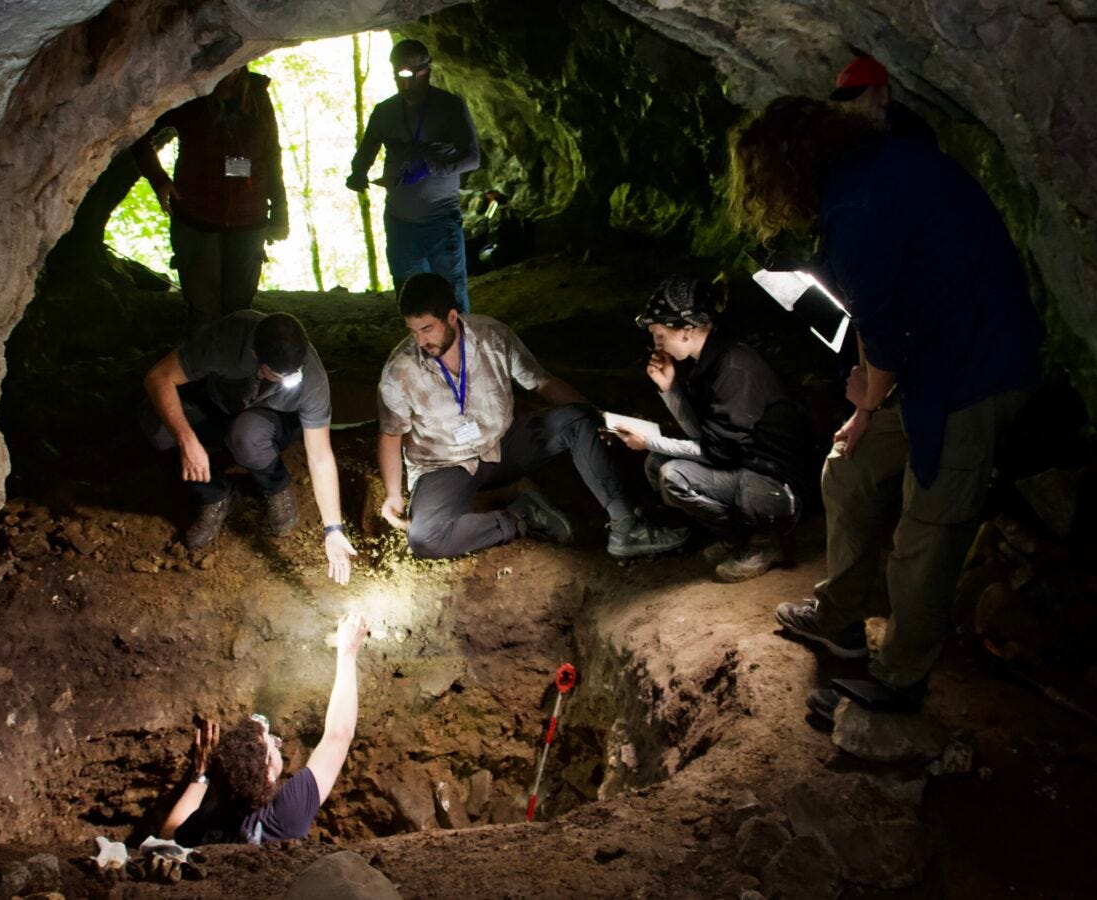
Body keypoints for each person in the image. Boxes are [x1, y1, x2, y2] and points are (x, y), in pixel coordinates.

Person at [728, 96, 1040, 716]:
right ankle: (839, 616)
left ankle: (899, 679)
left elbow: (884, 326)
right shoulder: (880, 163)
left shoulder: (854, 206)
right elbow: (889, 313)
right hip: (935, 356)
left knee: (927, 524)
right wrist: (866, 407)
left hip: (978, 369)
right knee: (848, 464)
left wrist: (870, 393)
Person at [376, 272, 690, 561]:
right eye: (413, 330)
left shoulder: (493, 337)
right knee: (424, 539)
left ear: (452, 317)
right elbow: (391, 434)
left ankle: (627, 527)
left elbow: (542, 382)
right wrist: (392, 494)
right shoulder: (399, 371)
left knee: (579, 419)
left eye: (427, 328)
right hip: (444, 466)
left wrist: (600, 418)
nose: (420, 340)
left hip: (504, 445)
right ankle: (522, 516)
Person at [612, 275, 813, 582]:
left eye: (660, 334)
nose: (656, 343)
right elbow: (704, 435)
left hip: (777, 487)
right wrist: (669, 389)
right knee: (657, 464)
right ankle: (736, 540)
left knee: (672, 475)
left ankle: (765, 543)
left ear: (687, 329)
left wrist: (650, 440)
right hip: (746, 468)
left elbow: (717, 451)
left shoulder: (733, 367)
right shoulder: (707, 360)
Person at [142, 310, 357, 583]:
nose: (289, 378)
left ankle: (276, 489)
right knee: (156, 419)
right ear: (256, 355)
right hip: (221, 403)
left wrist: (334, 529)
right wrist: (188, 440)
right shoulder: (226, 339)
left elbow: (320, 455)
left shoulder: (311, 376)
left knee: (246, 435)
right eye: (279, 374)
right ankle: (216, 496)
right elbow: (158, 378)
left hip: (269, 418)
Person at [161, 612, 369, 845]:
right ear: (268, 776)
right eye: (273, 743)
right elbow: (339, 735)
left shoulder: (213, 819)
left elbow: (170, 834)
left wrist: (200, 776)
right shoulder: (284, 816)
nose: (277, 741)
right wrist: (348, 651)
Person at [132, 66, 288, 333]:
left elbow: (271, 153)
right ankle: (201, 369)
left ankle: (235, 372)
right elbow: (137, 131)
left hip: (248, 218)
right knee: (204, 310)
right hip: (196, 218)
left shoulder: (258, 97)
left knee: (240, 310)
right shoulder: (191, 96)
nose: (229, 77)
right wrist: (158, 178)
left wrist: (280, 212)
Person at [345, 39, 479, 312]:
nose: (403, 84)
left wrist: (431, 166)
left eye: (409, 75)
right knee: (411, 299)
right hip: (400, 223)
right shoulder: (385, 111)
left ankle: (462, 350)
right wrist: (358, 173)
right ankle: (419, 352)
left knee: (451, 296)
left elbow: (472, 158)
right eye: (398, 75)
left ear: (426, 71)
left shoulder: (450, 107)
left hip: (441, 220)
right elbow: (367, 148)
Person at [829, 54, 937, 145]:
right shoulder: (859, 136)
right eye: (845, 101)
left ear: (882, 94)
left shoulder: (911, 136)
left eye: (857, 100)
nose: (850, 107)